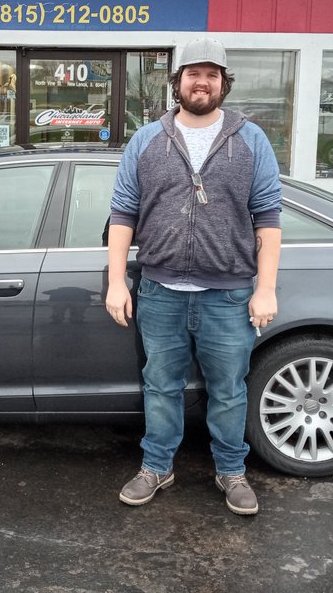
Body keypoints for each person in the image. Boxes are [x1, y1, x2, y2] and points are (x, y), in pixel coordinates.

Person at [106, 37, 282, 516]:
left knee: (228, 391)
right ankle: (156, 466)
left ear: (224, 83)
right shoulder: (146, 140)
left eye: (211, 75)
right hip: (160, 292)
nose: (201, 83)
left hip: (229, 296)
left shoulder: (251, 140)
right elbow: (123, 213)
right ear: (177, 81)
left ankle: (232, 471)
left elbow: (268, 218)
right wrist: (117, 282)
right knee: (160, 387)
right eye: (193, 74)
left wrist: (266, 289)